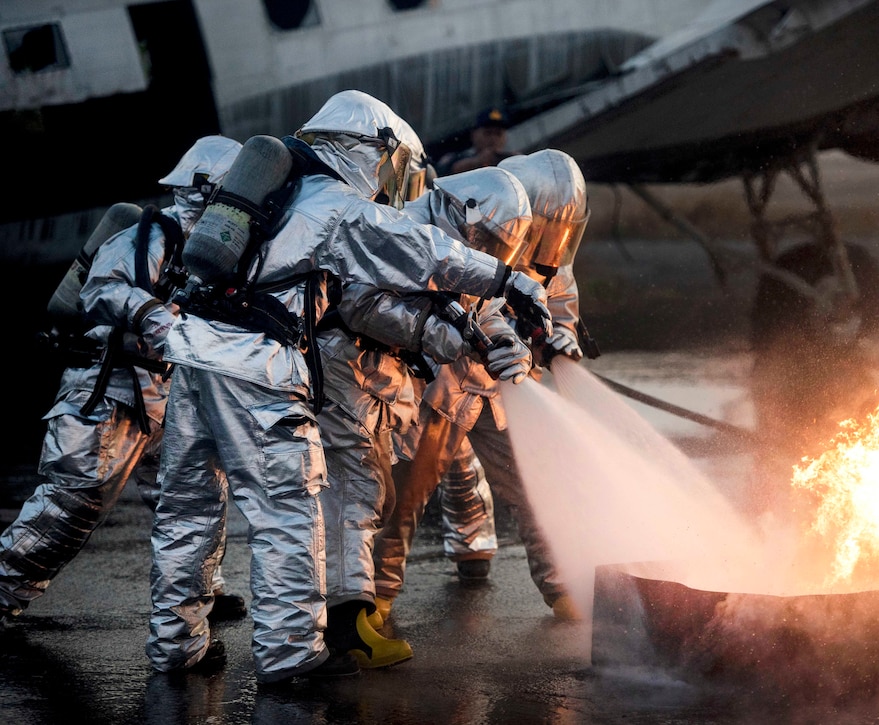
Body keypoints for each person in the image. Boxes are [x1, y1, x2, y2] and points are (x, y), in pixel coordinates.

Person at [142, 89, 552, 684]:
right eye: (390, 165)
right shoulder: (333, 203)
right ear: (368, 150)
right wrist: (507, 280)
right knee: (289, 508)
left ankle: (176, 648)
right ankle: (292, 659)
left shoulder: (280, 191)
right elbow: (422, 249)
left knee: (189, 508)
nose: (389, 183)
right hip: (256, 363)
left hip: (196, 350)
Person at [0, 136, 245, 625]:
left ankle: (199, 593)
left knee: (193, 497)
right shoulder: (150, 238)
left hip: (169, 390)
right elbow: (103, 289)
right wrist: (162, 323)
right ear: (210, 191)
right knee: (72, 500)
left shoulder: (217, 253)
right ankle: (3, 591)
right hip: (107, 383)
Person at [315, 163, 534, 667]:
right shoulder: (394, 232)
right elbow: (359, 303)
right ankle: (345, 626)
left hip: (390, 391)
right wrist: (442, 336)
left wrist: (507, 347)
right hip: (352, 381)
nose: (486, 254)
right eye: (484, 240)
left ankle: (347, 617)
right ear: (462, 211)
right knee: (363, 499)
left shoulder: (460, 246)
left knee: (371, 497)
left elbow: (484, 311)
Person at [372, 148, 590, 622]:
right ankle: (374, 602)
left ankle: (564, 588)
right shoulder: (481, 226)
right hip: (441, 387)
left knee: (539, 484)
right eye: (545, 227)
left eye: (561, 231)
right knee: (405, 494)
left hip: (505, 388)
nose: (551, 243)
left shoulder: (551, 256)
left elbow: (562, 306)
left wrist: (559, 342)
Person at [435, 107, 515, 176]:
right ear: (474, 135)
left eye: (498, 134)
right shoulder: (457, 158)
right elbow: (448, 171)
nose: (493, 138)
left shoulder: (511, 160)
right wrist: (478, 161)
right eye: (488, 133)